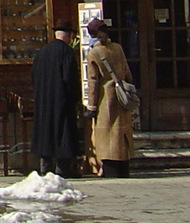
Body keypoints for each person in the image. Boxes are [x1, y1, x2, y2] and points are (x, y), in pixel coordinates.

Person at [84, 16, 136, 177]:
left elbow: (93, 82)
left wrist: (91, 107)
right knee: (121, 133)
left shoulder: (94, 53)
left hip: (105, 98)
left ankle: (109, 168)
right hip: (121, 96)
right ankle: (123, 166)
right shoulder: (118, 48)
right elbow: (127, 73)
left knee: (107, 134)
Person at [30, 20, 82, 176]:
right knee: (63, 134)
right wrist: (75, 97)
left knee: (46, 134)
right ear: (69, 35)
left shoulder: (42, 52)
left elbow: (33, 76)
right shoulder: (66, 52)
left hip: (43, 101)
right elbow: (70, 78)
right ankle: (62, 170)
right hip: (62, 101)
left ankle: (45, 168)